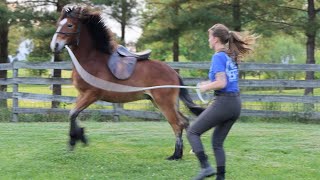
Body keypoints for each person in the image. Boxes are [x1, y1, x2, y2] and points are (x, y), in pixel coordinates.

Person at [187, 23, 257, 180]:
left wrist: (205, 88)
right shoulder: (229, 56)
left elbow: (221, 83)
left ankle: (205, 167)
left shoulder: (218, 56)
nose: (208, 40)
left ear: (216, 39)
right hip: (235, 104)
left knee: (193, 132)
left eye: (209, 37)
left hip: (224, 102)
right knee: (217, 143)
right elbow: (223, 80)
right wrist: (207, 84)